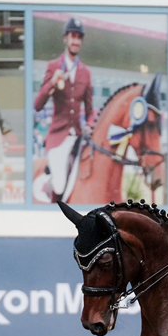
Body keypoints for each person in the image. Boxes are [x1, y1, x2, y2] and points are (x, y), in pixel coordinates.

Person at [34, 17, 95, 202]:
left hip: (78, 137)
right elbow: (38, 104)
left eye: (79, 37)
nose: (76, 40)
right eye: (72, 36)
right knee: (60, 183)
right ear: (65, 39)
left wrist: (89, 125)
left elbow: (90, 110)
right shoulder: (53, 66)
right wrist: (52, 81)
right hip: (58, 138)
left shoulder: (85, 72)